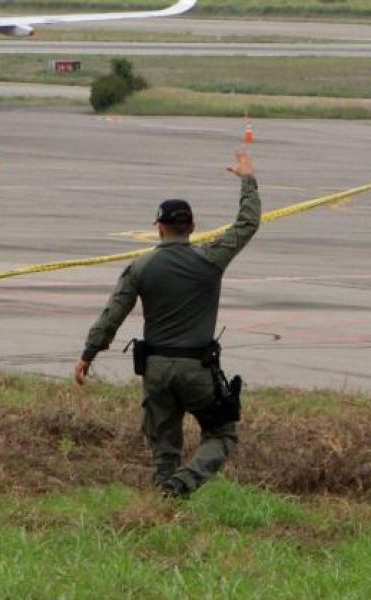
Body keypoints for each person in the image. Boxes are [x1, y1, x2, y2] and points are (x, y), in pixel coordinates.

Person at [75, 148, 261, 498]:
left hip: (156, 370)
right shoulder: (210, 259)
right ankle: (182, 484)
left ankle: (163, 500)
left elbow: (112, 313)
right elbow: (247, 223)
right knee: (222, 433)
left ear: (158, 227)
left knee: (164, 447)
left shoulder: (141, 267)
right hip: (196, 369)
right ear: (192, 227)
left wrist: (89, 354)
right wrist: (248, 180)